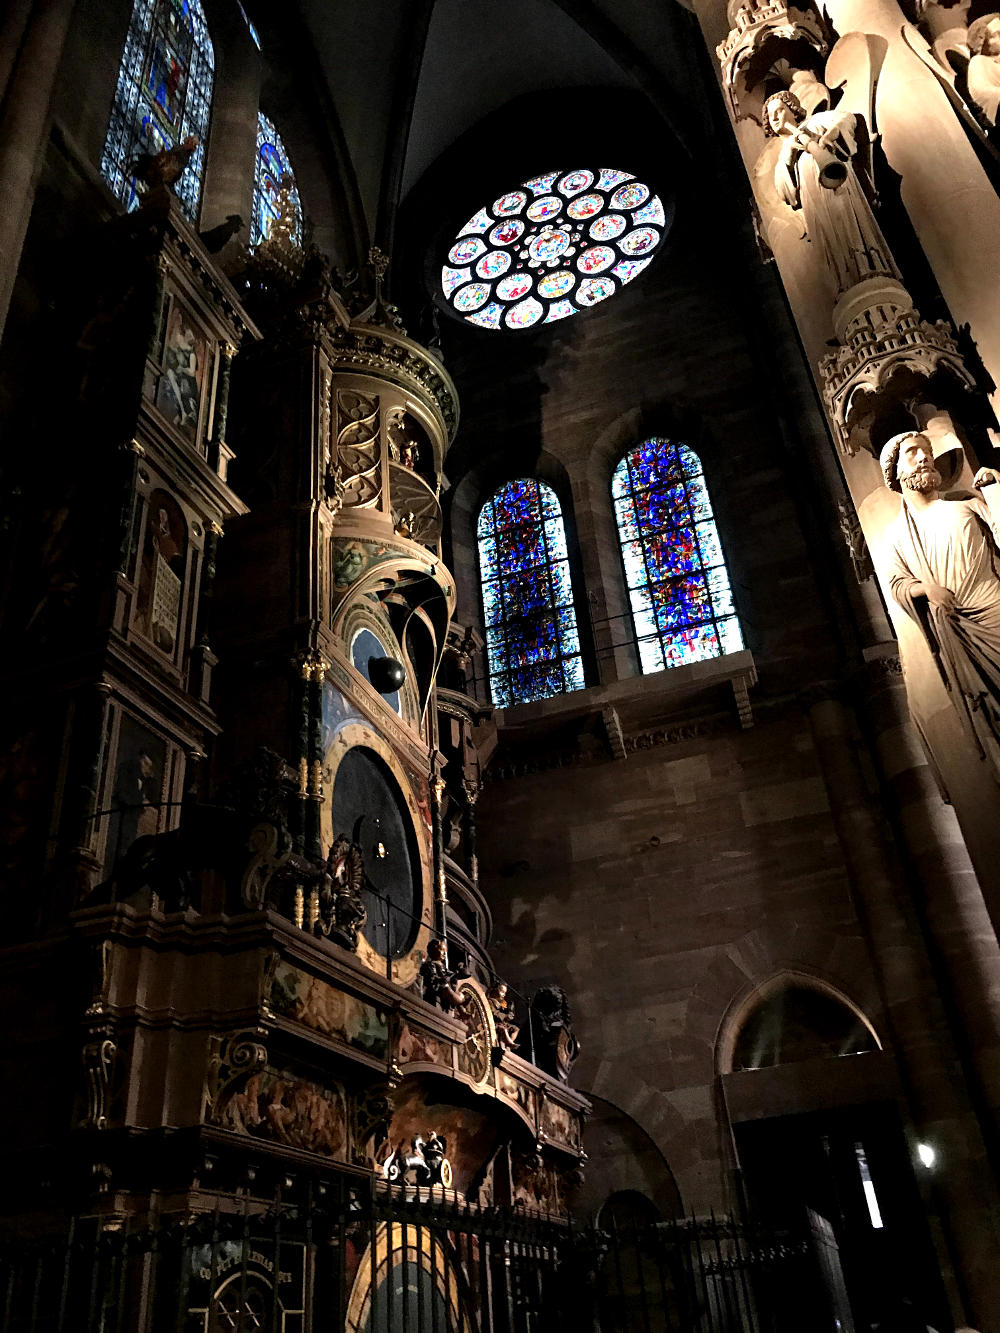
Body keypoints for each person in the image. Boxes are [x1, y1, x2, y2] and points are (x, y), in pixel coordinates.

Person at [880, 429, 1000, 780]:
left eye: (926, 451)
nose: (924, 457)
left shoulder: (966, 504)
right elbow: (897, 584)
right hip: (960, 631)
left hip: (994, 605)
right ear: (896, 472)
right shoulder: (896, 535)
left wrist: (996, 490)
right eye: (913, 452)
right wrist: (925, 590)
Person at [763, 89, 898, 298]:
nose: (774, 118)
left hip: (838, 185)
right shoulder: (783, 156)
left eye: (779, 110)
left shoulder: (815, 122)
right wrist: (789, 156)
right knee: (830, 237)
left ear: (793, 110)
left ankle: (870, 267)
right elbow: (785, 194)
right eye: (770, 116)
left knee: (849, 222)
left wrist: (833, 132)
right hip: (813, 200)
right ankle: (845, 281)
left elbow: (850, 119)